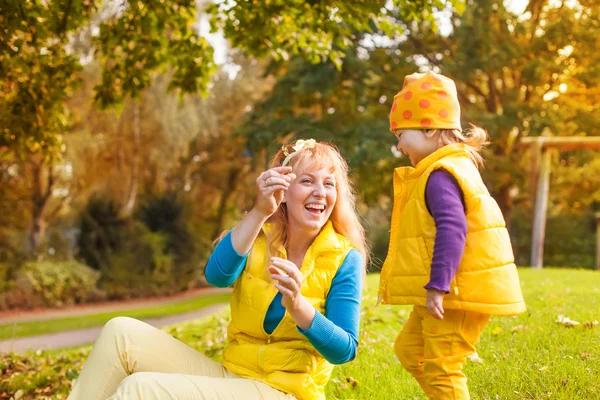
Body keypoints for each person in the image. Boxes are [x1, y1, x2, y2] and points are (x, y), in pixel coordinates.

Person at [67, 139, 367, 400]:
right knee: (121, 332)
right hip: (234, 376)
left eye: (329, 184)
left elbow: (345, 350)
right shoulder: (256, 235)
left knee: (141, 389)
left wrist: (299, 306)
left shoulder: (344, 258)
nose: (320, 192)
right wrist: (261, 212)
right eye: (307, 181)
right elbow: (217, 275)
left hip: (287, 393)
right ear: (283, 190)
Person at [379, 71, 526, 399]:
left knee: (442, 365)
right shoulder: (442, 169)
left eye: (401, 134)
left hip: (453, 293)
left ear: (429, 129)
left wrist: (438, 286)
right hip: (443, 291)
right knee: (408, 350)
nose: (399, 144)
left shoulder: (441, 175)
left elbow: (452, 229)